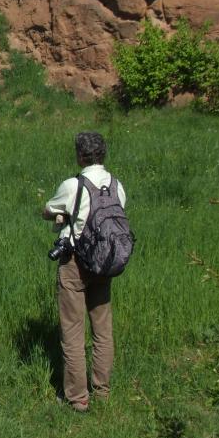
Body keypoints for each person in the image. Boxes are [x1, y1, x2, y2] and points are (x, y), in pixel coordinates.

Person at [42, 131, 127, 413]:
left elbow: (48, 209)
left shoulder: (73, 185)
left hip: (76, 264)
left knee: (73, 331)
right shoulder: (117, 186)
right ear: (103, 155)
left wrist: (59, 215)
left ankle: (77, 397)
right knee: (103, 330)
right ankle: (102, 391)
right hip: (104, 263)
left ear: (80, 156)